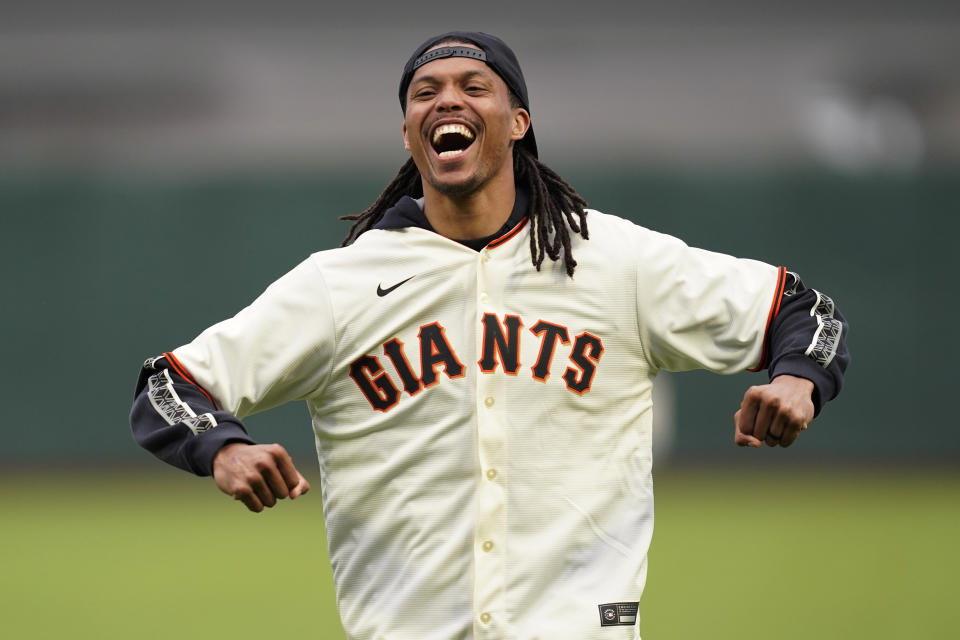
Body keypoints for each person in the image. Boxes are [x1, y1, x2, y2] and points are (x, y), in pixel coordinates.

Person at [130, 31, 849, 639]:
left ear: (517, 122)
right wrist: (222, 449)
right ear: (409, 133)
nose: (447, 99)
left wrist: (796, 380)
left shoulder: (613, 261)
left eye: (475, 85)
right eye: (425, 92)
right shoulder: (341, 285)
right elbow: (169, 382)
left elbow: (801, 310)